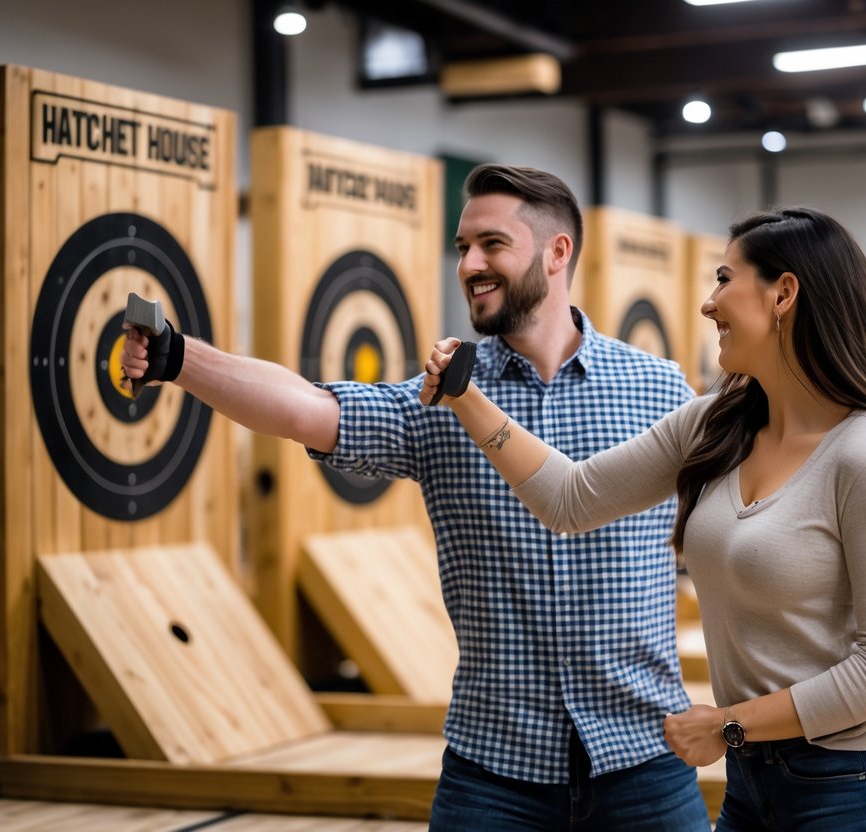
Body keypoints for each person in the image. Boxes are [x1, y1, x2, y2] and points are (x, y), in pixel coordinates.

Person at [121, 164, 710, 830]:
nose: (469, 264)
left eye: (491, 244)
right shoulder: (438, 400)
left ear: (556, 252)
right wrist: (178, 358)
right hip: (495, 772)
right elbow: (305, 409)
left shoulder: (658, 390)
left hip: (644, 761)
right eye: (461, 248)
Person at [423, 207, 866, 831]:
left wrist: (729, 724)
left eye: (724, 279)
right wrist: (465, 395)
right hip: (751, 779)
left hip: (851, 787)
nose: (708, 304)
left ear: (784, 293)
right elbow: (570, 498)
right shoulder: (716, 422)